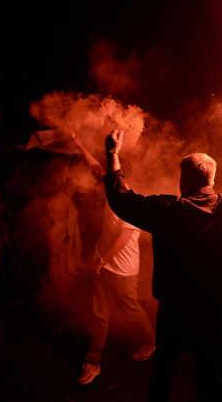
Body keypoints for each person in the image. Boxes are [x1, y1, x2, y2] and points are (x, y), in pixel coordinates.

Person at [102, 130, 222, 402]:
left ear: (183, 179)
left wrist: (113, 154)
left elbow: (120, 198)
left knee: (163, 372)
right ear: (213, 178)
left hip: (175, 311)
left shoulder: (166, 211)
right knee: (212, 378)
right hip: (217, 312)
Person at [71, 132, 155, 386]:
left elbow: (122, 237)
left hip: (123, 270)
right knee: (99, 314)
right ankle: (92, 362)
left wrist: (101, 260)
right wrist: (79, 143)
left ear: (124, 177)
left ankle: (151, 341)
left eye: (113, 174)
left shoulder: (133, 201)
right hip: (103, 265)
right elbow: (96, 167)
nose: (106, 177)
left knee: (131, 308)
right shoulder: (111, 186)